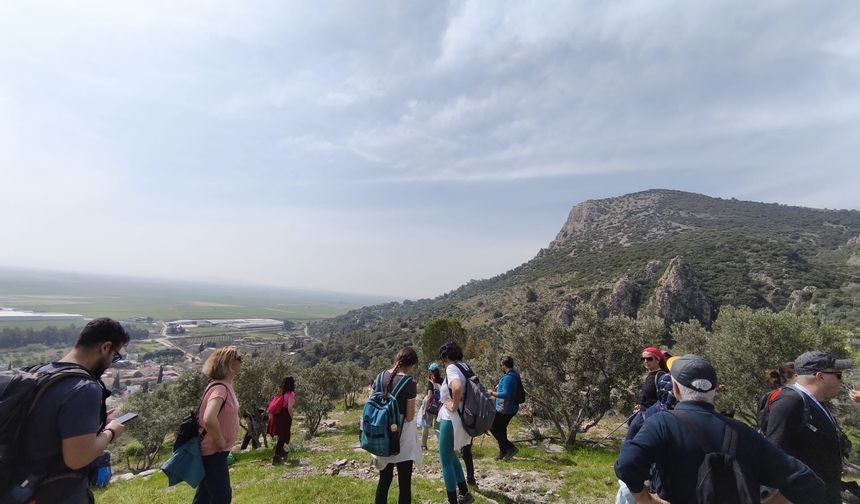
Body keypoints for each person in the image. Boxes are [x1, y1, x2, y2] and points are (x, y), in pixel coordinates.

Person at [615, 354, 826, 504]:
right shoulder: (745, 433)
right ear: (714, 390)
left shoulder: (662, 423)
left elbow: (627, 465)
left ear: (676, 389)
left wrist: (646, 499)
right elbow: (807, 482)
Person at [18, 317, 130, 504]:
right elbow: (77, 459)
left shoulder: (40, 372)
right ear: (105, 347)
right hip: (56, 492)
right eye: (115, 355)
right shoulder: (83, 387)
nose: (111, 362)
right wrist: (110, 432)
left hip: (21, 484)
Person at [764, 351, 853, 504]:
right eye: (838, 375)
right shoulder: (790, 402)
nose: (841, 380)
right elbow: (774, 452)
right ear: (820, 376)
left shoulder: (815, 403)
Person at [373, 347, 422, 504]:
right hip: (402, 438)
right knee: (404, 484)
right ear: (411, 365)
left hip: (382, 435)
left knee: (384, 481)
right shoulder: (410, 382)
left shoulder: (380, 377)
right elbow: (409, 417)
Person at [195, 346, 242, 504]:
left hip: (214, 452)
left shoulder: (224, 386)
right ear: (229, 364)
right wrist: (220, 440)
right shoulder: (220, 389)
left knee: (205, 497)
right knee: (222, 497)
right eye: (239, 359)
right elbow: (209, 418)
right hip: (214, 452)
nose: (242, 362)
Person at [437, 341, 476, 504]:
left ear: (446, 357)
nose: (443, 364)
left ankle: (453, 500)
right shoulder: (465, 367)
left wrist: (453, 405)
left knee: (445, 460)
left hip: (451, 419)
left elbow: (457, 388)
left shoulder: (452, 368)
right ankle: (464, 493)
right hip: (463, 419)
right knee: (452, 455)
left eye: (443, 360)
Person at [625, 347, 669, 440]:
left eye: (649, 359)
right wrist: (640, 405)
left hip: (650, 416)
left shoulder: (661, 376)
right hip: (643, 414)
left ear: (657, 360)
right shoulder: (649, 375)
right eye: (643, 359)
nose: (645, 361)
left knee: (630, 441)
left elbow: (662, 399)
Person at [489, 356, 521, 461]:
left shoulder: (508, 378)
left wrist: (491, 393)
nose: (500, 367)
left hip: (505, 409)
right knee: (501, 429)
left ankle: (511, 448)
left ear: (504, 365)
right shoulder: (515, 375)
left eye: (501, 365)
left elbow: (506, 394)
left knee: (492, 426)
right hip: (510, 408)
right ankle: (503, 451)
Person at [267, 376, 296, 465]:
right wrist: (292, 417)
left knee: (281, 436)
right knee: (283, 436)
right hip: (284, 415)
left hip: (277, 415)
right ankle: (276, 456)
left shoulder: (281, 393)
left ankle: (282, 453)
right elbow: (290, 408)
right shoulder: (291, 394)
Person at [421, 363, 443, 450]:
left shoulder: (431, 382)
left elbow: (430, 396)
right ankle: (442, 445)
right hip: (440, 408)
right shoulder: (443, 381)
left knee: (426, 425)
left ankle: (423, 445)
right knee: (437, 427)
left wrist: (424, 410)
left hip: (431, 408)